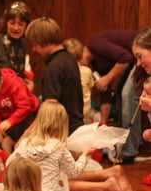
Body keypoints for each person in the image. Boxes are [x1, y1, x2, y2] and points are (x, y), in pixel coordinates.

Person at [7, 102, 135, 191]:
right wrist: (84, 155)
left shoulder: (25, 144)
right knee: (61, 176)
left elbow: (9, 163)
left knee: (59, 174)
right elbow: (75, 172)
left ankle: (108, 181)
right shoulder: (59, 149)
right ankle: (107, 182)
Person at [81, 30, 140, 164]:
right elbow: (106, 91)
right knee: (120, 94)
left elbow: (126, 58)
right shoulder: (95, 64)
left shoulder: (95, 44)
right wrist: (103, 122)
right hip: (134, 60)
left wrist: (108, 78)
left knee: (128, 95)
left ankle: (128, 151)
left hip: (140, 55)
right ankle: (130, 143)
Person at [25, 17, 84, 135]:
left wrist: (26, 136)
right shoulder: (69, 59)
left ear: (43, 41)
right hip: (75, 127)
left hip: (62, 133)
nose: (34, 49)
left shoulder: (54, 67)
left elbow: (49, 111)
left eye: (35, 45)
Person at [0, 62, 39, 153]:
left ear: (0, 80)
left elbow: (25, 106)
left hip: (29, 115)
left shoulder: (15, 83)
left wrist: (10, 121)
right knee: (2, 144)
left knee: (23, 145)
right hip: (8, 119)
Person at [63, 38, 95, 124]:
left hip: (68, 112)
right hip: (85, 110)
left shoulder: (63, 71)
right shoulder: (87, 71)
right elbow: (90, 89)